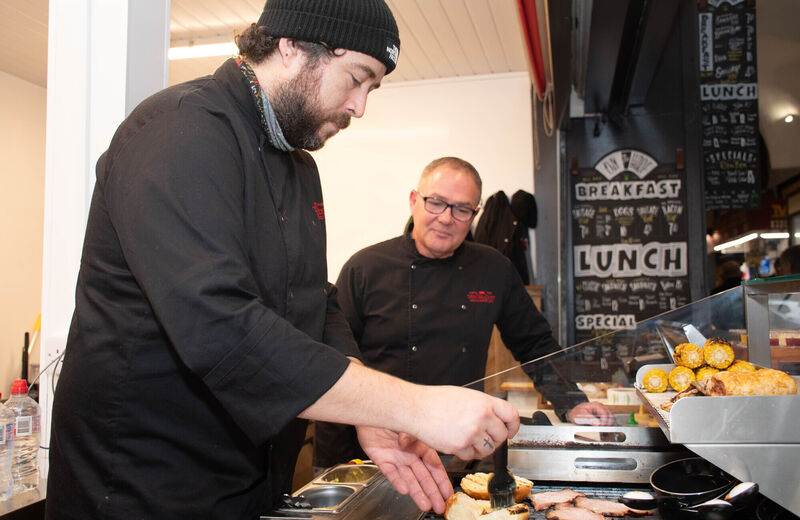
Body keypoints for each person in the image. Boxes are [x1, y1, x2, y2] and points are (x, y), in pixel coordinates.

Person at [45, 4, 519, 519]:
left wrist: (369, 412)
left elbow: (317, 301)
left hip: (248, 481)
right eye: (356, 80)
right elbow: (222, 330)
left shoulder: (299, 168)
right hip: (142, 488)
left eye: (371, 90)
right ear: (292, 45)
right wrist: (415, 406)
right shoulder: (180, 131)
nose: (359, 107)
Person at [314, 157, 615, 469]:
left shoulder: (494, 268)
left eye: (461, 209)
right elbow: (335, 362)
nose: (446, 218)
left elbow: (535, 344)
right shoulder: (365, 268)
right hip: (374, 453)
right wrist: (335, 467)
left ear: (475, 213)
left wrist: (572, 402)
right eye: (436, 203)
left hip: (460, 450)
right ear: (414, 201)